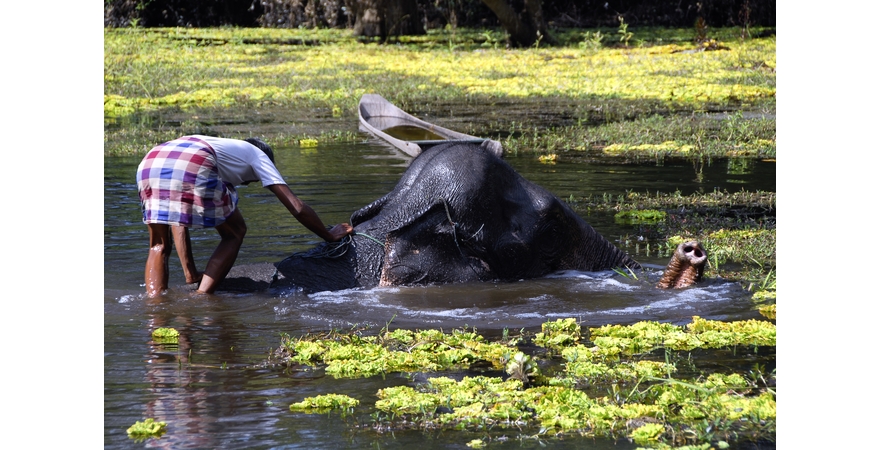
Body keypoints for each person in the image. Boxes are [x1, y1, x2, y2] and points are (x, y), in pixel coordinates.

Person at [136, 135, 353, 297]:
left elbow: (178, 221)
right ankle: (201, 297)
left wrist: (190, 273)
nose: (251, 183)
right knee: (235, 231)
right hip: (195, 161)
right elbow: (295, 206)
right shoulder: (259, 155)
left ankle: (155, 306)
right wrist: (328, 234)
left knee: (158, 245)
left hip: (151, 161)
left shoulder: (225, 148)